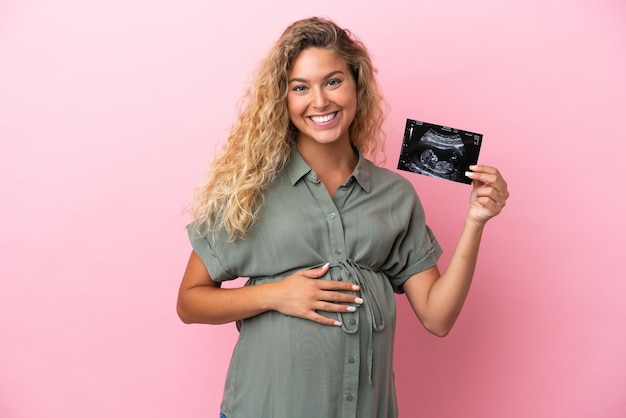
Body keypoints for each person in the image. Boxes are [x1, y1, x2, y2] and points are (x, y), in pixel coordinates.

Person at [177, 16, 509, 418]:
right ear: (283, 100)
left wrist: (476, 221)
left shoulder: (394, 195)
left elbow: (437, 318)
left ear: (356, 85)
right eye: (301, 88)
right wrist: (276, 294)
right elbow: (189, 302)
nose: (319, 101)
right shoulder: (251, 189)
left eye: (333, 81)